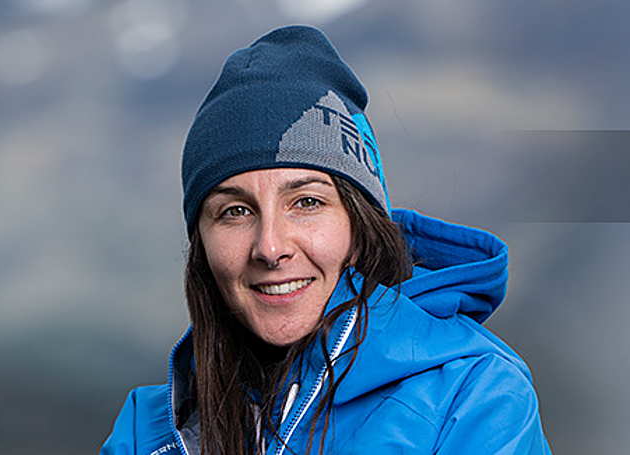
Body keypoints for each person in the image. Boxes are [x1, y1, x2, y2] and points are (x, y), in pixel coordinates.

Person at [100, 25, 552, 454]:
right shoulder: (149, 430)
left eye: (307, 202)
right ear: (201, 243)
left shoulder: (474, 395)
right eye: (235, 211)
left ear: (361, 225)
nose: (270, 247)